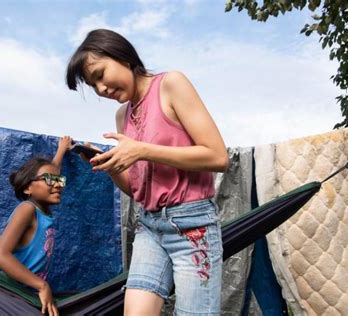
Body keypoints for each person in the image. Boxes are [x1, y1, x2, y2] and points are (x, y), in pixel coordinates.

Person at [66, 29, 228, 315]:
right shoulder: (122, 115)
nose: (101, 89)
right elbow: (134, 188)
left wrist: (141, 149)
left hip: (193, 225)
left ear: (122, 56)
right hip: (149, 227)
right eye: (93, 85)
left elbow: (217, 156)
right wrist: (112, 166)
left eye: (101, 75)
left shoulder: (171, 84)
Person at [0, 136, 72, 316]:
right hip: (12, 298)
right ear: (28, 188)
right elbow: (0, 256)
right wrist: (42, 285)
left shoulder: (42, 210)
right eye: (51, 180)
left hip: (29, 298)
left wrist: (61, 151)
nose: (58, 185)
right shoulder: (27, 210)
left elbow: (50, 175)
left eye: (60, 180)